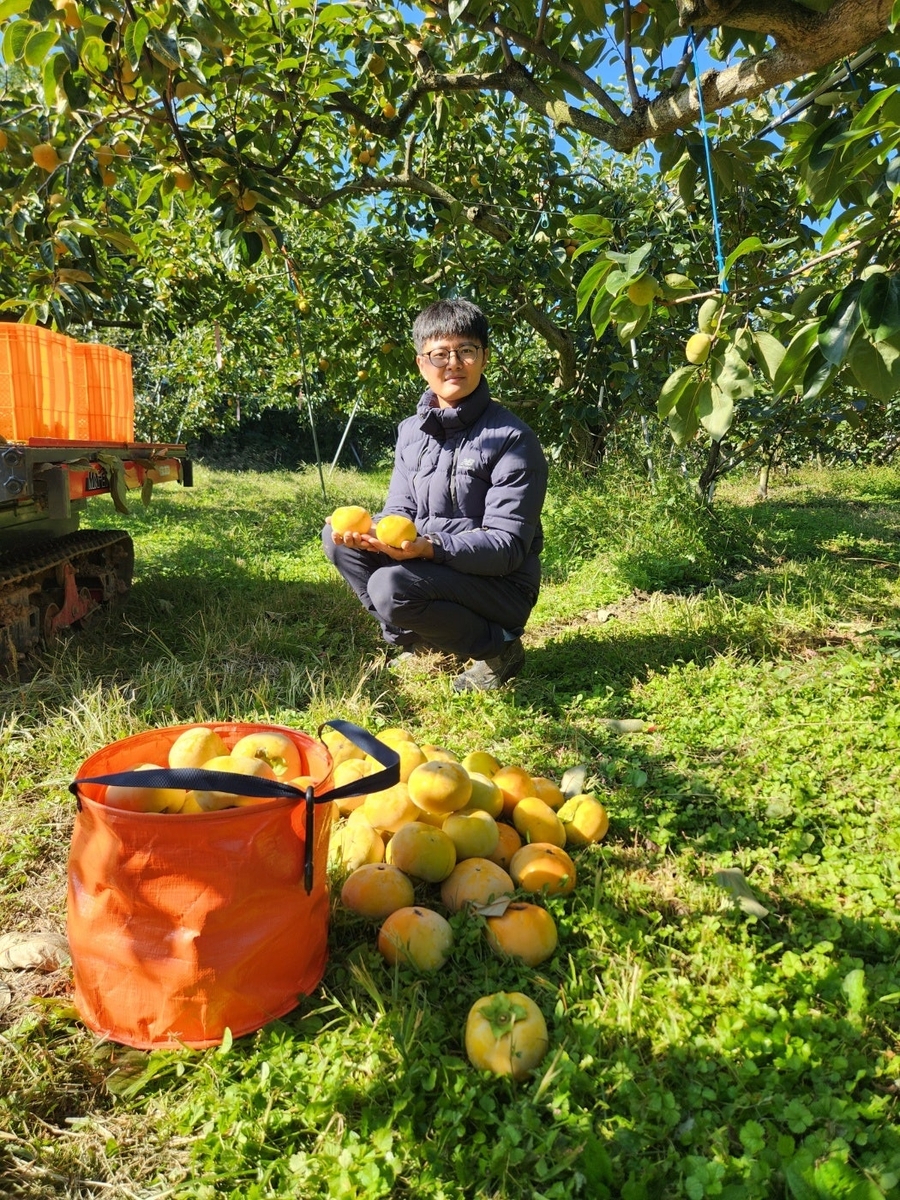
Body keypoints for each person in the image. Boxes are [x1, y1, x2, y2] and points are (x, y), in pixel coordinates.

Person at [322, 299, 548, 692]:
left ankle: (500, 649)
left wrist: (430, 548)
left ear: (484, 358)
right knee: (337, 541)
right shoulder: (411, 431)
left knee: (390, 586)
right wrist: (372, 533)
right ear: (420, 363)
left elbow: (508, 545)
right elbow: (400, 510)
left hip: (501, 585)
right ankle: (418, 639)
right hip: (438, 569)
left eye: (466, 351)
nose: (453, 363)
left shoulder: (512, 439)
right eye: (439, 353)